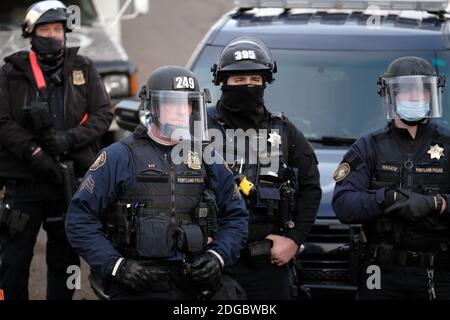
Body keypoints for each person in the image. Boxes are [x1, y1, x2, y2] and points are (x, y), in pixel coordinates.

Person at [65, 65, 249, 300]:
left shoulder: (207, 157)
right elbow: (79, 220)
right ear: (153, 106)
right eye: (173, 103)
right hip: (136, 284)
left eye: (188, 103)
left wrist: (217, 256)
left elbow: (237, 217)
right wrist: (116, 266)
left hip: (193, 284)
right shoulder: (118, 157)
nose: (182, 111)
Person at [0, 1, 113, 300]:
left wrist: (69, 139)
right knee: (12, 263)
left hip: (68, 182)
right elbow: (3, 121)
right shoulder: (11, 72)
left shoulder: (84, 68)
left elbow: (103, 115)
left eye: (58, 29)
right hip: (23, 183)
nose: (53, 35)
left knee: (66, 264)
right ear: (31, 33)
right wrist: (34, 152)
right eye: (45, 29)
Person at [208, 36, 322, 300]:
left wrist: (294, 240)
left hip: (267, 264)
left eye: (255, 80)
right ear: (223, 82)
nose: (248, 86)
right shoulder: (200, 130)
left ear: (265, 83)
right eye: (238, 80)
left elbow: (311, 188)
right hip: (212, 263)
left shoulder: (284, 132)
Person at [332, 56, 450, 300]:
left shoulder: (447, 145)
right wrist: (387, 198)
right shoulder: (368, 147)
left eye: (421, 93)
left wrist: (437, 203)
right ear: (392, 96)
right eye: (407, 93)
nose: (415, 99)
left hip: (438, 271)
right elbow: (343, 204)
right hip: (381, 270)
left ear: (431, 96)